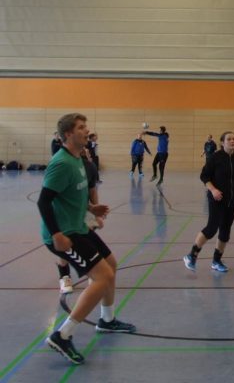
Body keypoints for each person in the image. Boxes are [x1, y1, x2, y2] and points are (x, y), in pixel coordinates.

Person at [38, 113, 135, 366]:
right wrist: (57, 235)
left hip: (78, 226)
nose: (86, 130)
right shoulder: (61, 163)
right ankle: (62, 335)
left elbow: (73, 194)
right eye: (81, 127)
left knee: (110, 264)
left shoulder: (79, 159)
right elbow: (44, 201)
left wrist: (92, 209)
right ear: (68, 134)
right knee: (102, 277)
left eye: (86, 126)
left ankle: (107, 320)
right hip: (63, 233)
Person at [183, 131, 234, 273]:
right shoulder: (215, 157)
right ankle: (191, 255)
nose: (232, 141)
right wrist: (213, 190)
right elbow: (204, 176)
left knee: (225, 231)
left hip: (233, 201)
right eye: (229, 139)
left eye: (233, 139)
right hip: (216, 199)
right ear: (222, 142)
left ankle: (216, 261)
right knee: (212, 228)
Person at [57, 148, 104, 295]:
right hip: (66, 214)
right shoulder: (64, 166)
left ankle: (92, 273)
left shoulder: (90, 167)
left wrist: (96, 213)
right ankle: (64, 276)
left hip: (84, 212)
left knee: (88, 242)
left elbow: (92, 191)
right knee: (66, 246)